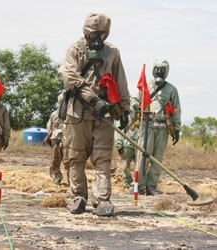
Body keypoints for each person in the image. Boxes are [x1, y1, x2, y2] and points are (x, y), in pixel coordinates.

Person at [58, 12, 130, 216]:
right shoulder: (74, 50)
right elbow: (70, 78)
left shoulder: (112, 53)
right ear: (86, 32)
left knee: (103, 159)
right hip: (77, 112)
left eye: (101, 34)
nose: (97, 38)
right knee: (75, 158)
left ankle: (102, 201)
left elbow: (120, 81)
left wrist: (124, 109)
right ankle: (78, 197)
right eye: (93, 34)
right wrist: (93, 99)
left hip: (104, 114)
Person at [130, 58, 181, 195]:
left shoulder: (171, 90)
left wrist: (176, 129)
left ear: (166, 72)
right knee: (142, 157)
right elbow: (134, 99)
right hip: (146, 125)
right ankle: (138, 186)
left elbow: (177, 110)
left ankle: (151, 186)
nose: (159, 72)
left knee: (157, 159)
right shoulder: (145, 86)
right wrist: (135, 105)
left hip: (163, 127)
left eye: (162, 70)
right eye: (157, 69)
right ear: (153, 70)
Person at [45, 106, 69, 185]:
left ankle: (71, 179)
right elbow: (50, 128)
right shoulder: (54, 114)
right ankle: (57, 177)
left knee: (68, 160)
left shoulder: (71, 114)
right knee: (55, 160)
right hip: (56, 139)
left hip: (67, 138)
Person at [114, 113, 138, 189]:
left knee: (140, 166)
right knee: (124, 165)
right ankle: (128, 182)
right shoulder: (123, 115)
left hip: (139, 144)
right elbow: (118, 131)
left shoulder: (140, 115)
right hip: (127, 144)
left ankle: (137, 184)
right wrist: (119, 145)